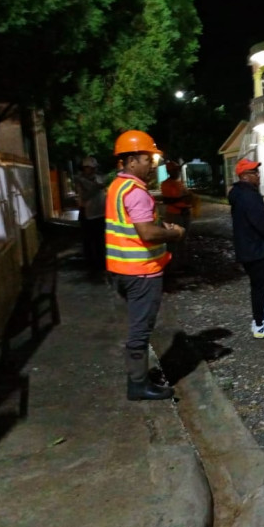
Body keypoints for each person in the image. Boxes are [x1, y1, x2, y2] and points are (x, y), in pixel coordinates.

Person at [105, 130, 185, 401]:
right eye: (147, 159)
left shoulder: (118, 187)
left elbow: (133, 224)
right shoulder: (136, 192)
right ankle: (138, 385)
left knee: (137, 325)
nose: (152, 164)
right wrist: (173, 233)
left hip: (121, 270)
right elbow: (147, 234)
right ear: (130, 161)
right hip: (141, 272)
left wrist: (161, 225)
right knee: (140, 330)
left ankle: (139, 378)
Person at [228, 158, 264, 338]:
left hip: (247, 248)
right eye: (254, 173)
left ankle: (258, 320)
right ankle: (262, 325)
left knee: (256, 287)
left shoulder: (238, 194)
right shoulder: (249, 196)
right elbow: (261, 223)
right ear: (244, 176)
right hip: (256, 249)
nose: (258, 175)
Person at [74, 156, 106, 272]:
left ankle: (101, 263)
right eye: (89, 168)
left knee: (100, 241)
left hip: (100, 213)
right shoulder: (80, 180)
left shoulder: (99, 178)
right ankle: (91, 264)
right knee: (88, 240)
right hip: (88, 214)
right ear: (84, 168)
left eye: (93, 168)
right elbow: (83, 197)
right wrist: (95, 188)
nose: (92, 170)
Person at [160, 161, 193, 270]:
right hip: (174, 214)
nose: (177, 171)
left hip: (184, 213)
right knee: (174, 239)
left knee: (183, 239)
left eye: (177, 169)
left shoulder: (180, 183)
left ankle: (182, 262)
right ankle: (172, 264)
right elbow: (166, 200)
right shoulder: (166, 184)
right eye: (174, 170)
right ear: (169, 171)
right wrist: (182, 199)